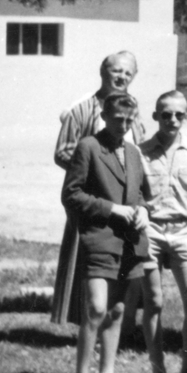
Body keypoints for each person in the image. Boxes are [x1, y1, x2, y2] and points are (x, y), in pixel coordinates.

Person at [61, 91, 151, 373]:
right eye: (117, 119)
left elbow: (140, 194)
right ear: (104, 116)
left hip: (130, 243)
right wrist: (111, 209)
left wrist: (143, 211)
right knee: (96, 308)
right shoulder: (89, 147)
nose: (123, 125)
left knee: (116, 311)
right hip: (99, 238)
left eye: (129, 120)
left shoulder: (134, 153)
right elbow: (71, 195)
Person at [51, 51, 144, 327]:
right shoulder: (83, 108)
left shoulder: (132, 110)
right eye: (116, 71)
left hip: (126, 200)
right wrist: (96, 173)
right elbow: (63, 151)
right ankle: (86, 321)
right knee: (86, 258)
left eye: (128, 73)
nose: (121, 77)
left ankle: (119, 323)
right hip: (92, 198)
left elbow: (139, 148)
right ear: (103, 72)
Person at [138, 91, 187, 373]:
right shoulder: (141, 152)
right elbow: (134, 195)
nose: (172, 120)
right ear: (155, 116)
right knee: (153, 302)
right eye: (165, 114)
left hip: (185, 232)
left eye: (179, 115)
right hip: (152, 231)